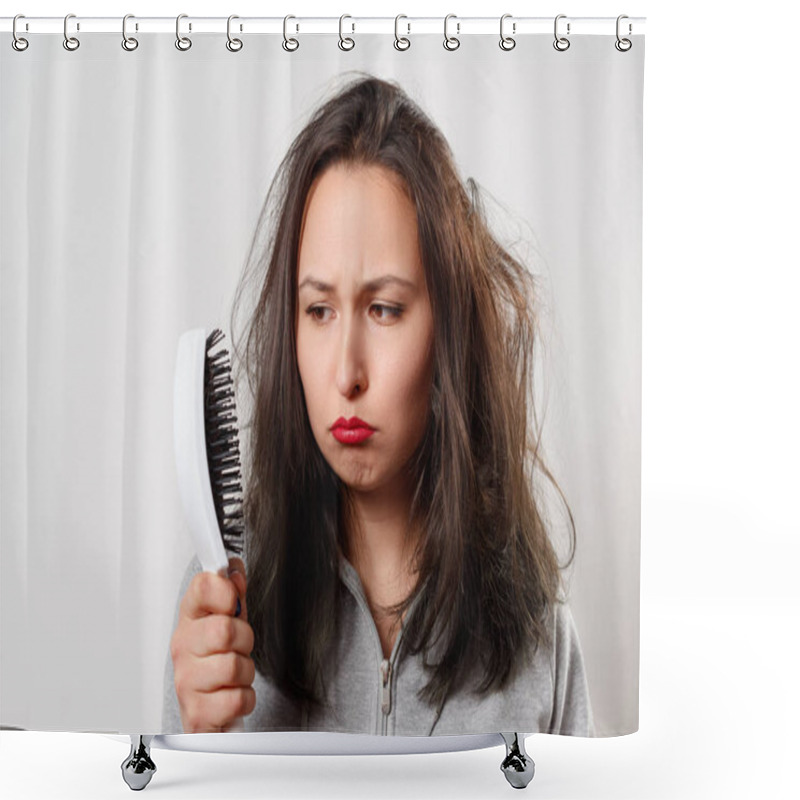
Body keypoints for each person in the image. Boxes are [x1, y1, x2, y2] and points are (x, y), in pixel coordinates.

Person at [163, 73, 594, 737]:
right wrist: (195, 750)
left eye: (385, 308)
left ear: (447, 330)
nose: (345, 372)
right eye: (318, 310)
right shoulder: (221, 614)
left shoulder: (542, 638)